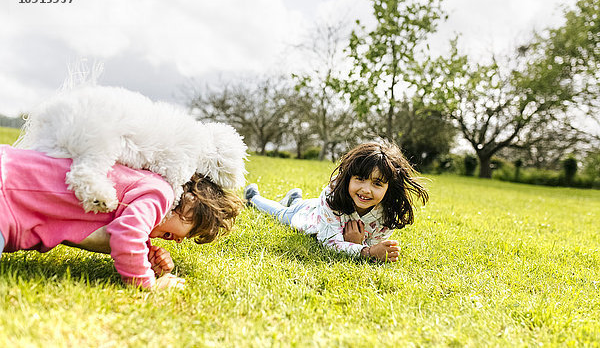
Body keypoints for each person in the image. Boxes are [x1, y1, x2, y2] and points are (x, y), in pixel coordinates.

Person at [0, 145, 243, 290]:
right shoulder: (161, 194)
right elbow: (127, 234)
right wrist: (147, 283)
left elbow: (116, 230)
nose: (170, 240)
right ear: (189, 203)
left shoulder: (145, 185)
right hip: (7, 196)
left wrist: (146, 255)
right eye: (170, 235)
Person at [244, 142, 428, 262]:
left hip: (315, 207)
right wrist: (366, 251)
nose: (366, 189)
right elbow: (329, 242)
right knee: (280, 214)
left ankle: (295, 198)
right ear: (348, 178)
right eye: (360, 179)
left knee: (297, 204)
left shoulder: (388, 212)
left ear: (390, 187)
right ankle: (254, 198)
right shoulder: (332, 196)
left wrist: (359, 244)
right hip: (307, 215)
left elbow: (374, 243)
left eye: (377, 183)